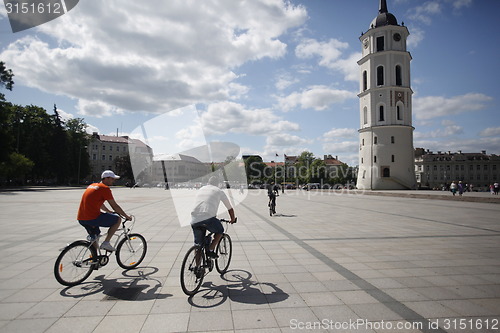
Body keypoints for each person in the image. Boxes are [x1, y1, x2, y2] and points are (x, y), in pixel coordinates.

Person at [77, 170, 131, 252]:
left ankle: (94, 259)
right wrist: (126, 216)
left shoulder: (92, 185)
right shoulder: (105, 188)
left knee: (95, 236)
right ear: (106, 178)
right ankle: (106, 242)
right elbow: (115, 206)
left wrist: (107, 211)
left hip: (81, 218)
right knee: (117, 220)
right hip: (92, 218)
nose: (114, 181)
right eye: (112, 179)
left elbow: (99, 203)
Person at [190, 176, 236, 258]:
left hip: (194, 218)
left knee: (198, 245)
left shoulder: (201, 189)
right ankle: (210, 249)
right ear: (217, 184)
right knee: (220, 230)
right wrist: (232, 219)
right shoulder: (219, 191)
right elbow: (229, 208)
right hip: (207, 218)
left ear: (208, 182)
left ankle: (197, 268)